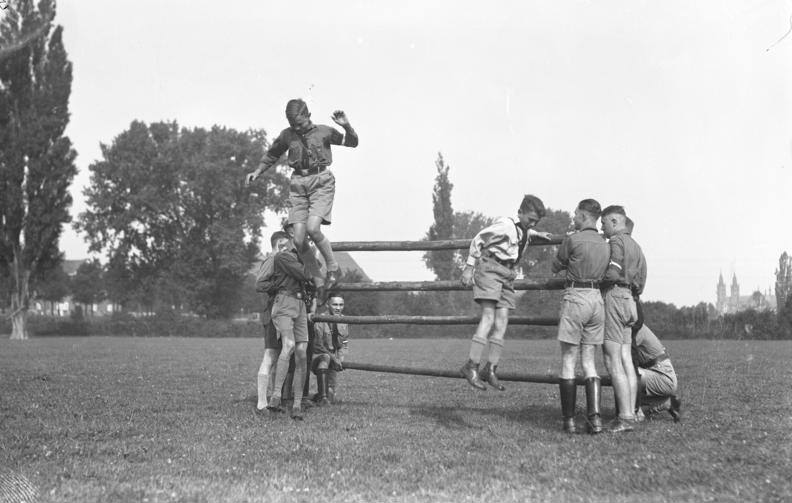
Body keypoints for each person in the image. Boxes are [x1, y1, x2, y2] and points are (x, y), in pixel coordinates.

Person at [245, 99, 359, 296]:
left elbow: (352, 142)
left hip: (321, 181)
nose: (297, 127)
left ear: (308, 115)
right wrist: (257, 171)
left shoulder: (323, 131)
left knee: (313, 228)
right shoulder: (288, 135)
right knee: (298, 240)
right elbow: (272, 155)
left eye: (300, 123)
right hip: (298, 184)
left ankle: (333, 268)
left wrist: (346, 125)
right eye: (293, 124)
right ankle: (318, 280)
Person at [459, 194, 551, 391]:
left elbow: (521, 235)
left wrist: (535, 233)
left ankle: (490, 368)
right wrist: (468, 267)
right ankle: (471, 365)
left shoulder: (523, 229)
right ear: (520, 212)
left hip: (508, 274)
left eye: (535, 221)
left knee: (502, 321)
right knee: (489, 318)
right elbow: (478, 239)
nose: (532, 223)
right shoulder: (505, 224)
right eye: (530, 219)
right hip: (491, 268)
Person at [551, 199, 610, 434]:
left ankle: (569, 421)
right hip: (597, 299)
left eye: (576, 214)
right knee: (589, 361)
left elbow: (556, 266)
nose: (573, 218)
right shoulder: (605, 244)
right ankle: (594, 419)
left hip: (576, 296)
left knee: (568, 359)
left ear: (585, 216)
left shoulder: (573, 239)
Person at [600, 205, 647, 433]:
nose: (603, 228)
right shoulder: (637, 247)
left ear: (616, 222)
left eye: (605, 223)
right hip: (631, 300)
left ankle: (625, 416)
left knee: (612, 359)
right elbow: (642, 280)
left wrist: (597, 283)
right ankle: (633, 412)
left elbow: (612, 271)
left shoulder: (616, 241)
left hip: (616, 296)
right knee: (627, 358)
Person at [267, 232, 314, 420]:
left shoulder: (302, 255)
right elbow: (307, 274)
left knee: (302, 352)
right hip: (285, 302)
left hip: (301, 305)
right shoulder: (283, 256)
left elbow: (319, 278)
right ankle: (276, 396)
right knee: (289, 346)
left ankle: (296, 405)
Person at [255, 231, 291, 414]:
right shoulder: (271, 260)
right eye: (286, 244)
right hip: (272, 313)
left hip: (282, 312)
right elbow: (260, 284)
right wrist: (279, 287)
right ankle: (261, 403)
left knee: (279, 357)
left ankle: (274, 400)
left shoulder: (282, 260)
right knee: (270, 356)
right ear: (278, 244)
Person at [632, 324, 681, 422]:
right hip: (659, 373)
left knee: (625, 377)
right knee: (625, 400)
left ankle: (637, 412)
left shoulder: (636, 330)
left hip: (663, 377)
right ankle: (666, 403)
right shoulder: (634, 327)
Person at [311, 295, 349, 405]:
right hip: (317, 356)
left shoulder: (344, 320)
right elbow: (318, 345)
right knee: (326, 357)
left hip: (333, 358)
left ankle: (319, 396)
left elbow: (345, 341)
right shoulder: (320, 319)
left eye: (341, 305)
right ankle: (316, 396)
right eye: (335, 304)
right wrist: (334, 358)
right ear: (328, 305)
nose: (338, 308)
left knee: (331, 397)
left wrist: (341, 357)